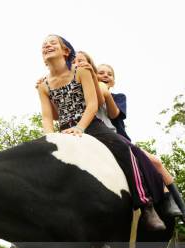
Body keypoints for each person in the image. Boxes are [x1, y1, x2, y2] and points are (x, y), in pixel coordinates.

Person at [37, 35, 166, 231]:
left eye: (52, 43)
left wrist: (80, 127)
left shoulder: (81, 71)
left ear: (66, 51)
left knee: (124, 149)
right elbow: (47, 117)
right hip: (64, 130)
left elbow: (92, 104)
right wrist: (50, 138)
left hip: (91, 125)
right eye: (44, 45)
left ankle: (146, 204)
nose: (47, 45)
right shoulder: (43, 84)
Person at [92, 61, 185, 224]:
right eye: (101, 72)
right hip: (95, 135)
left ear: (113, 81)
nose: (105, 75)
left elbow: (114, 115)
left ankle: (179, 204)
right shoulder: (86, 94)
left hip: (118, 138)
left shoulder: (119, 98)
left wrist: (105, 93)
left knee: (156, 162)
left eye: (109, 74)